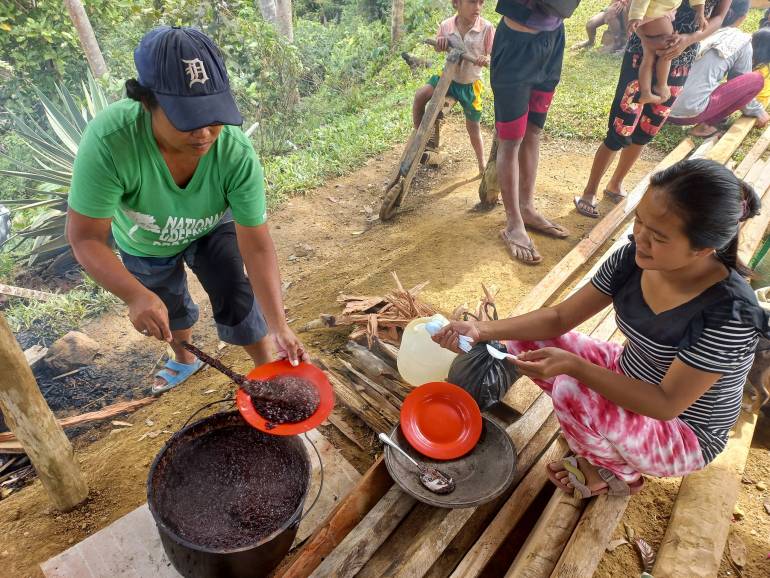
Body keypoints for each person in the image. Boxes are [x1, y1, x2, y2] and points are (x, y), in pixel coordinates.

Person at [435, 159, 768, 497]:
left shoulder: (730, 315)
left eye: (658, 236)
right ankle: (603, 431)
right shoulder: (631, 260)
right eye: (639, 222)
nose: (640, 238)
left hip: (682, 432)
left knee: (570, 389)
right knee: (526, 340)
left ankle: (619, 473)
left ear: (704, 249)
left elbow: (666, 404)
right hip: (632, 373)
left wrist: (575, 367)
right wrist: (482, 331)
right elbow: (559, 318)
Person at [66, 26, 308, 395]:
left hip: (211, 224)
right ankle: (184, 358)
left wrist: (279, 324)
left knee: (232, 285)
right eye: (186, 119)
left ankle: (266, 369)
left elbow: (256, 245)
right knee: (167, 304)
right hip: (145, 239)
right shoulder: (110, 143)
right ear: (146, 101)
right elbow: (85, 237)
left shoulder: (234, 152)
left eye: (212, 115)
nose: (205, 134)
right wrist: (134, 296)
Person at [574, 0, 731, 220]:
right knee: (621, 126)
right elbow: (633, 4)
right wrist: (646, 39)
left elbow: (718, 18)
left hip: (680, 62)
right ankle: (589, 192)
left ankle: (615, 184)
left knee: (648, 128)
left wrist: (688, 40)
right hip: (640, 56)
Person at [490, 0, 571, 266]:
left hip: (554, 38)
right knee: (511, 139)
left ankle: (526, 208)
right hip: (516, 45)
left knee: (533, 130)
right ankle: (513, 223)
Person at [414, 0, 495, 175]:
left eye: (481, 2)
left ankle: (481, 163)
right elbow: (438, 48)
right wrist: (440, 43)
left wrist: (485, 59)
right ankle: (419, 138)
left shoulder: (487, 28)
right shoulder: (447, 26)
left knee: (473, 126)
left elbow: (493, 54)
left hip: (470, 84)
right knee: (420, 95)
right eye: (473, 2)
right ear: (456, 3)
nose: (478, 7)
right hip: (448, 79)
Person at [669, 0, 770, 136]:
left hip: (660, 107)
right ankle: (706, 126)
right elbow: (741, 85)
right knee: (756, 80)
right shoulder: (741, 39)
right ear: (743, 18)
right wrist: (758, 111)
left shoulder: (695, 27)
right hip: (687, 113)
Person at [627, 0, 707, 104]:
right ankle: (661, 85)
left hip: (654, 14)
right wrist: (636, 17)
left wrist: (700, 12)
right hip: (655, 16)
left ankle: (646, 93)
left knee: (649, 57)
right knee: (667, 49)